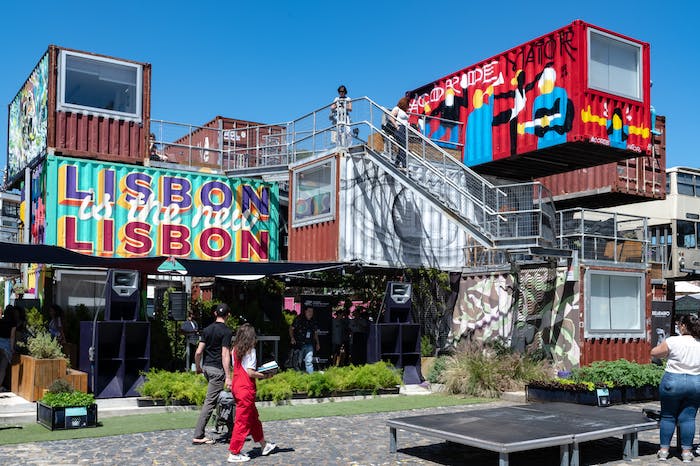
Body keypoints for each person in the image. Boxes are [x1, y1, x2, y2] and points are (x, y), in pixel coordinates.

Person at [650, 313, 700, 462]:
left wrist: (668, 355)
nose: (678, 326)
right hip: (695, 382)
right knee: (688, 418)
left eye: (679, 324)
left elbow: (654, 352)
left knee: (668, 416)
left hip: (673, 380)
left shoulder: (673, 341)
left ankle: (664, 451)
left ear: (683, 326)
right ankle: (686, 453)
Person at [227, 323, 277, 463]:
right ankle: (234, 452)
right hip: (246, 389)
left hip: (237, 386)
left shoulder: (235, 349)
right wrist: (265, 375)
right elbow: (250, 372)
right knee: (242, 422)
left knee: (253, 418)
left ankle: (264, 445)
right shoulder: (251, 350)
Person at [193, 303, 233, 445]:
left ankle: (231, 429)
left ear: (215, 314)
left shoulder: (207, 329)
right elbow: (225, 354)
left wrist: (198, 367)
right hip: (218, 371)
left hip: (207, 368)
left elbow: (198, 352)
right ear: (228, 315)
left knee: (218, 399)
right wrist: (228, 376)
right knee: (210, 402)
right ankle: (198, 435)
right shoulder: (227, 332)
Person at [289, 306, 320, 374]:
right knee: (298, 362)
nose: (311, 313)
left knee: (309, 361)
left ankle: (310, 377)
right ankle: (298, 377)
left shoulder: (313, 321)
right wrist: (292, 338)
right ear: (305, 311)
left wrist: (317, 343)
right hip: (299, 344)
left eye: (312, 311)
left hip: (309, 344)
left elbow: (315, 333)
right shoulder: (298, 319)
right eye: (309, 311)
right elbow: (291, 328)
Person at [390, 97, 410, 170]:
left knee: (402, 147)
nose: (408, 106)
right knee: (403, 147)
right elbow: (391, 117)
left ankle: (396, 164)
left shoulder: (404, 111)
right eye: (407, 104)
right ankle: (404, 165)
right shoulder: (396, 108)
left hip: (405, 129)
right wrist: (396, 126)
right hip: (400, 128)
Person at [0, 306, 17, 392]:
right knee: (3, 368)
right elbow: (12, 336)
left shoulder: (1, 321)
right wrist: (12, 348)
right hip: (6, 345)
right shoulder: (13, 323)